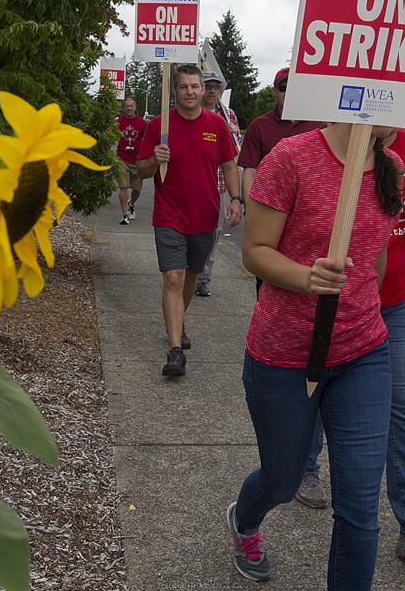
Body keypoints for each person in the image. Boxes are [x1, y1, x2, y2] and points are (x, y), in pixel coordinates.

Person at [228, 123, 403, 591]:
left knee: (358, 507)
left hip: (362, 351)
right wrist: (306, 277)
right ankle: (245, 519)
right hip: (283, 352)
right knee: (281, 480)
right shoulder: (292, 158)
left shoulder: (393, 168)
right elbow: (253, 251)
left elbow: (372, 270)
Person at [295, 130, 405, 561]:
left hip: (398, 299)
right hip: (342, 299)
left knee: (404, 403)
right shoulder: (333, 141)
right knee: (320, 386)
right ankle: (304, 468)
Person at [136, 64, 242, 378]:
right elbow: (141, 169)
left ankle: (178, 320)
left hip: (205, 215)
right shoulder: (159, 125)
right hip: (169, 214)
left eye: (195, 86)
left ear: (203, 89)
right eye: (184, 87)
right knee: (173, 278)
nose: (191, 92)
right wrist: (156, 159)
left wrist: (235, 199)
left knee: (192, 277)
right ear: (175, 90)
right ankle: (174, 351)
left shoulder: (217, 125)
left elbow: (229, 165)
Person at [237, 67, 321, 199]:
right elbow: (250, 172)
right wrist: (250, 210)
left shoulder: (319, 126)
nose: (289, 93)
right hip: (268, 203)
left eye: (294, 88)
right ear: (274, 92)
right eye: (283, 88)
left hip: (308, 203)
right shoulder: (258, 127)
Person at [196, 70, 243, 297]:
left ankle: (204, 277)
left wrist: (234, 134)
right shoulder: (192, 112)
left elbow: (236, 153)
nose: (213, 90)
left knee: (213, 233)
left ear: (221, 90)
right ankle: (190, 271)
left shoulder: (228, 115)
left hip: (218, 184)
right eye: (209, 85)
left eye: (216, 86)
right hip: (193, 183)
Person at [116, 98, 147, 225]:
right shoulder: (118, 122)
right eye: (127, 106)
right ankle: (125, 215)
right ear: (124, 108)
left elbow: (147, 140)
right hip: (121, 158)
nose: (129, 108)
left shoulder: (142, 123)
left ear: (135, 107)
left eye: (131, 106)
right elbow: (111, 136)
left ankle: (132, 204)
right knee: (123, 187)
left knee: (137, 189)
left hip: (137, 160)